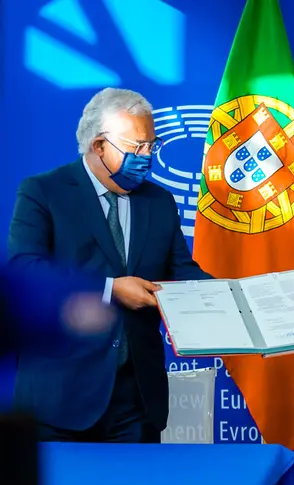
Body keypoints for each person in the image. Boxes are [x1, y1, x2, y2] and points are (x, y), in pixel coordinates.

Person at [7, 87, 211, 443]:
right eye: (136, 147)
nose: (147, 157)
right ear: (99, 146)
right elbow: (26, 272)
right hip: (59, 400)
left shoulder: (159, 201)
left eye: (152, 144)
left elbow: (182, 272)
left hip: (136, 401)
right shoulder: (43, 192)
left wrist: (239, 296)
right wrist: (110, 289)